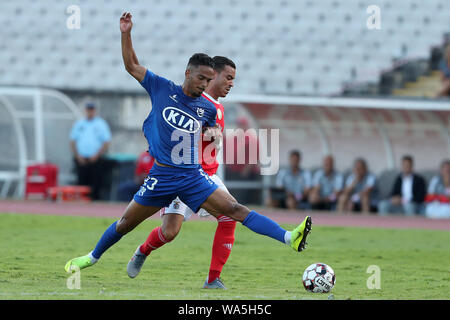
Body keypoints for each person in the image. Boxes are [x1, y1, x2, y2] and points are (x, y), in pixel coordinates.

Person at [64, 12, 311, 278]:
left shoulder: (206, 108)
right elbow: (132, 66)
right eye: (201, 78)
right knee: (127, 224)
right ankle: (91, 258)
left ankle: (289, 238)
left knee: (234, 210)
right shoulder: (161, 87)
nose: (204, 84)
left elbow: (208, 137)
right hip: (162, 176)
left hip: (193, 175)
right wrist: (126, 33)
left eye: (208, 80)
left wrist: (214, 137)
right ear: (188, 73)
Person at [127, 56, 238, 289]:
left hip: (207, 176)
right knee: (169, 232)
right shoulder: (195, 102)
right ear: (213, 76)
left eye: (233, 80)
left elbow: (211, 143)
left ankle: (212, 279)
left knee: (230, 217)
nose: (231, 83)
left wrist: (214, 139)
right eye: (228, 78)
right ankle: (142, 251)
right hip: (184, 175)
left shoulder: (216, 107)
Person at [69, 101, 111, 200]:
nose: (90, 112)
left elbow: (106, 141)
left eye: (92, 110)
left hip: (95, 159)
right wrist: (77, 155)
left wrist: (97, 155)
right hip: (81, 158)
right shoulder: (79, 124)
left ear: (95, 111)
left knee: (95, 182)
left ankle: (94, 202)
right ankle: (80, 201)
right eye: (88, 110)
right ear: (86, 111)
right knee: (81, 182)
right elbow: (72, 141)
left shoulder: (101, 124)